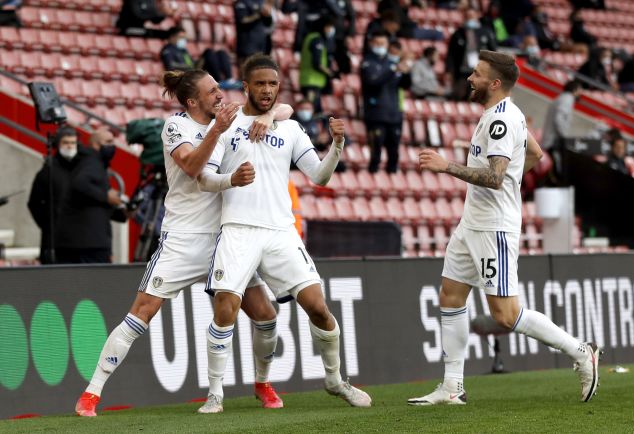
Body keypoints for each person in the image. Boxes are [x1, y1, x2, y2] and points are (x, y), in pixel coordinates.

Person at [74, 69, 294, 417]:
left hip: (226, 238)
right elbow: (192, 166)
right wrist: (218, 130)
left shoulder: (228, 117)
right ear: (192, 101)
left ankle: (262, 383)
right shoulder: (176, 126)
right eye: (212, 91)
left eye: (219, 88)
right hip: (183, 238)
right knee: (141, 312)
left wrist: (266, 117)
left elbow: (285, 110)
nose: (220, 94)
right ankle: (92, 392)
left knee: (266, 315)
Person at [408, 50, 601, 406]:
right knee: (450, 295)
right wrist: (512, 177)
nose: (470, 78)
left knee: (506, 314)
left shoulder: (501, 120)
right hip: (472, 224)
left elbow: (496, 178)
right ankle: (452, 386)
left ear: (495, 83)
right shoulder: (506, 114)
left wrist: (446, 166)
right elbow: (535, 154)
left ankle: (580, 350)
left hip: (493, 227)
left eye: (477, 74)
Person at [196, 54, 372, 413]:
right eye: (260, 83)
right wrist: (232, 179)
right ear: (246, 86)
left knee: (318, 308)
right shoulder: (226, 124)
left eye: (273, 84)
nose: (267, 90)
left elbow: (319, 176)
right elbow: (204, 179)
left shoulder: (289, 129)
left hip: (281, 232)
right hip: (238, 229)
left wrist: (337, 146)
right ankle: (215, 393)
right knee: (226, 308)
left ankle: (335, 380)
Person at [53, 127, 127, 264]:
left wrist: (122, 213)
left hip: (82, 241)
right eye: (108, 142)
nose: (112, 146)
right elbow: (80, 183)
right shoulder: (92, 162)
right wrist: (106, 197)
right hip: (87, 245)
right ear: (95, 144)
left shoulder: (88, 162)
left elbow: (91, 202)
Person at [27, 126, 80, 264]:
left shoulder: (82, 169)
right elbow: (34, 203)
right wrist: (48, 223)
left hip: (79, 236)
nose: (70, 146)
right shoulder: (48, 170)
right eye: (65, 142)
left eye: (73, 143)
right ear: (58, 144)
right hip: (54, 238)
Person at [361, 30, 411, 173]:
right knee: (375, 153)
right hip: (376, 114)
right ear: (371, 44)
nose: (380, 46)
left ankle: (392, 177)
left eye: (382, 43)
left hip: (394, 115)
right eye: (377, 43)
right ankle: (372, 178)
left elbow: (405, 85)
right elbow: (373, 82)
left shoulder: (392, 63)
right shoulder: (367, 63)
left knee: (394, 154)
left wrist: (407, 72)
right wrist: (393, 69)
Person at [160, 26, 242, 90]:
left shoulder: (183, 50)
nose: (183, 40)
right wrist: (189, 66)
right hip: (188, 73)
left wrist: (196, 63)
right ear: (172, 37)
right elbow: (170, 65)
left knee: (221, 52)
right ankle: (219, 81)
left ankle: (229, 79)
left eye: (184, 38)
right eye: (181, 37)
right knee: (209, 52)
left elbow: (191, 62)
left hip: (194, 69)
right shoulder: (168, 50)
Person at [446, 7, 497, 100]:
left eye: (471, 16)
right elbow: (451, 54)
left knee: (476, 97)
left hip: (479, 72)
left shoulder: (486, 32)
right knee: (459, 95)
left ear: (477, 16)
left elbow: (493, 52)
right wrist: (449, 70)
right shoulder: (458, 33)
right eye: (467, 16)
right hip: (462, 72)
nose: (470, 18)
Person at [541, 79, 582, 182]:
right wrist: (564, 137)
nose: (580, 94)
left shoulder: (561, 98)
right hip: (553, 142)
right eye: (579, 90)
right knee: (556, 173)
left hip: (551, 140)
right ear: (575, 90)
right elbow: (559, 119)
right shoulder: (567, 99)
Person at [299, 16, 339, 114]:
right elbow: (317, 63)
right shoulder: (317, 40)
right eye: (329, 27)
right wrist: (330, 73)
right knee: (312, 110)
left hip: (311, 80)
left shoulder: (311, 37)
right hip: (311, 82)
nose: (330, 30)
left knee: (316, 111)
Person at [234, 0, 274, 66]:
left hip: (261, 47)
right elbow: (242, 21)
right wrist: (258, 14)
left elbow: (268, 24)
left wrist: (267, 15)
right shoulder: (242, 2)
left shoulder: (261, 2)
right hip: (247, 46)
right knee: (246, 69)